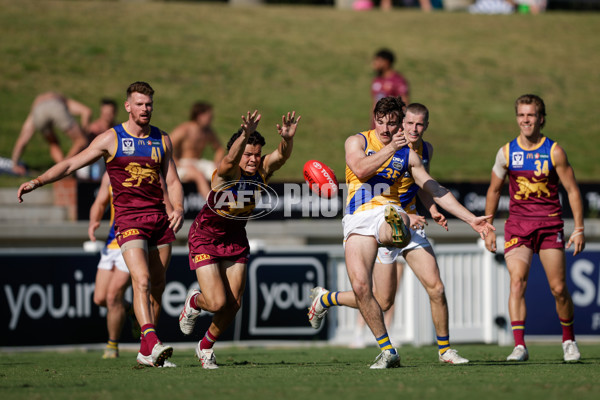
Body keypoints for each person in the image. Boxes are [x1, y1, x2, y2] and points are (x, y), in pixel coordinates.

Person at [308, 96, 494, 369]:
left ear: (398, 124)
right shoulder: (357, 141)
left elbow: (434, 188)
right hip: (360, 215)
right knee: (370, 293)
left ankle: (445, 350)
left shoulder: (410, 154)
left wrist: (470, 220)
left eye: (392, 124)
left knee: (437, 287)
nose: (385, 129)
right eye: (380, 122)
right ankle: (385, 349)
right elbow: (360, 169)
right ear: (374, 120)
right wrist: (390, 150)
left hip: (395, 214)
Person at [18, 81, 184, 368]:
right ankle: (150, 344)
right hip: (129, 220)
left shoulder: (162, 139)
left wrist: (179, 206)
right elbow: (71, 164)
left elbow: (172, 180)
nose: (146, 109)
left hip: (159, 219)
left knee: (157, 285)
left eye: (149, 104)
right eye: (140, 104)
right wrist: (38, 181)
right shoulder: (111, 138)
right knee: (141, 280)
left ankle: (147, 345)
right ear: (128, 106)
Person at [178, 110, 300, 369]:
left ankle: (206, 346)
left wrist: (287, 139)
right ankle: (194, 301)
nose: (254, 159)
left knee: (233, 304)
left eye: (256, 154)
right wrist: (244, 134)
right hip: (206, 236)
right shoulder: (225, 173)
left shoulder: (262, 170)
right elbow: (230, 158)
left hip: (235, 237)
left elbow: (281, 155)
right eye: (248, 154)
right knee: (215, 302)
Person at [484, 94, 585, 362]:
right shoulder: (506, 152)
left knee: (559, 288)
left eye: (530, 115)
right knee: (516, 282)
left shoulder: (554, 151)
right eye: (521, 115)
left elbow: (572, 191)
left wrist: (579, 227)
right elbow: (494, 189)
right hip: (518, 226)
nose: (525, 120)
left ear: (541, 119)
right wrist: (488, 225)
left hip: (550, 224)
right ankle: (519, 346)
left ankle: (569, 341)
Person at [88, 172, 138, 359]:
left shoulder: (143, 167)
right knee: (99, 299)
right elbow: (100, 202)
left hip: (131, 242)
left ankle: (112, 346)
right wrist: (94, 221)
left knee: (112, 296)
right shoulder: (109, 174)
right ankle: (131, 309)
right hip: (111, 243)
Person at [11, 92, 92, 175]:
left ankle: (60, 169)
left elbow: (23, 139)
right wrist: (84, 132)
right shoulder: (61, 99)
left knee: (53, 143)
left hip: (38, 112)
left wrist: (15, 164)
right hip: (55, 106)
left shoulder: (37, 103)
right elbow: (86, 111)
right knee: (81, 141)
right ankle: (65, 168)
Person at [170, 101, 225, 199]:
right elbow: (166, 147)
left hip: (198, 162)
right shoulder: (184, 129)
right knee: (198, 175)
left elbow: (219, 149)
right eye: (209, 117)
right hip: (182, 164)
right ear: (199, 115)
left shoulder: (207, 131)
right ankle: (211, 204)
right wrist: (177, 163)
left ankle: (229, 202)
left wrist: (217, 162)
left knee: (220, 172)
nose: (211, 119)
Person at [77, 98, 118, 181]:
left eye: (110, 113)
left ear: (115, 113)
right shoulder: (93, 129)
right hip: (94, 162)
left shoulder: (117, 129)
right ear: (101, 112)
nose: (108, 116)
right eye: (106, 113)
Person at [371, 49, 409, 128]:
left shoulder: (397, 80)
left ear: (386, 62)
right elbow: (375, 103)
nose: (375, 63)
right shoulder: (377, 80)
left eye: (378, 60)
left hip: (391, 125)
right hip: (378, 125)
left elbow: (405, 103)